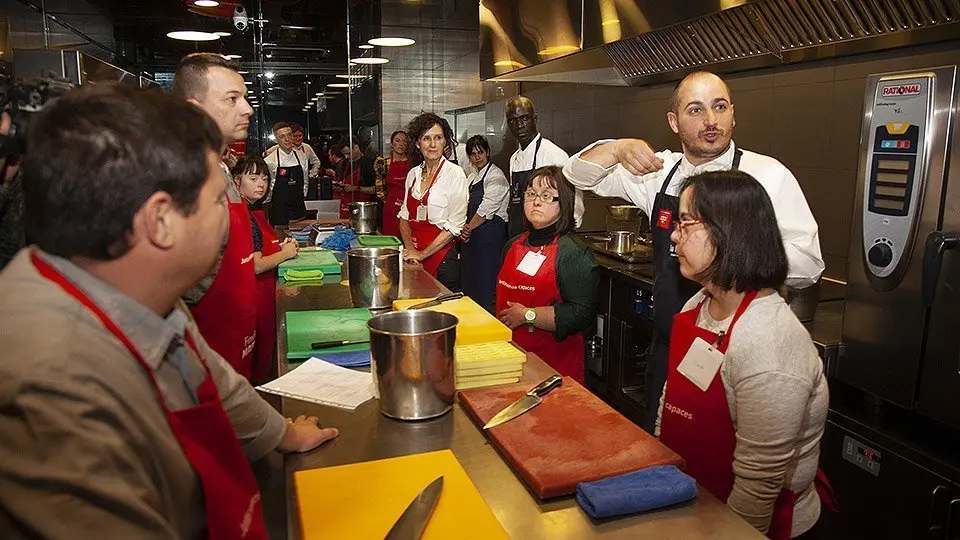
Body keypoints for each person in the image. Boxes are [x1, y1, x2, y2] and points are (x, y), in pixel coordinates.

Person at [0, 83, 338, 539]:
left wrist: (284, 434)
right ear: (160, 221)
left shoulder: (139, 296)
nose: (227, 214)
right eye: (217, 199)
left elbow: (213, 379)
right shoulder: (55, 387)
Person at [562, 70, 824, 432]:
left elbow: (809, 264)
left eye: (719, 107)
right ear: (674, 121)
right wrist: (617, 147)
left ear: (733, 112)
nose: (711, 121)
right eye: (696, 110)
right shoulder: (656, 173)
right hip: (671, 343)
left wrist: (729, 254)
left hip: (738, 349)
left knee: (722, 457)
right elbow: (576, 175)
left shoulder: (767, 175)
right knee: (665, 442)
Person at [655, 170, 831, 539]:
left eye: (686, 222)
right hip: (691, 504)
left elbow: (757, 490)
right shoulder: (699, 304)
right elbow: (671, 401)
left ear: (727, 232)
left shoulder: (769, 343)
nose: (674, 234)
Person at [172, 52, 259, 380]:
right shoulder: (187, 179)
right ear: (196, 109)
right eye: (232, 99)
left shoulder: (220, 168)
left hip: (237, 344)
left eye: (245, 98)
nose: (247, 109)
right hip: (206, 352)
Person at [496, 166, 598, 384]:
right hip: (509, 364)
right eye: (531, 194)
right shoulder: (513, 245)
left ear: (565, 203)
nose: (536, 201)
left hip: (554, 371)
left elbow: (581, 315)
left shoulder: (573, 253)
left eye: (547, 196)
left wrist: (527, 315)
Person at [232, 156, 298, 384]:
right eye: (253, 178)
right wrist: (286, 254)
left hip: (263, 297)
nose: (261, 183)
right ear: (236, 180)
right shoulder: (243, 216)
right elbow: (256, 265)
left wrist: (278, 247)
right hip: (254, 300)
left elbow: (258, 248)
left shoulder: (253, 211)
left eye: (264, 178)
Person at [398, 112, 468, 290]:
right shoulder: (413, 174)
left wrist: (423, 254)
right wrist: (411, 253)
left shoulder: (455, 174)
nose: (432, 144)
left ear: (445, 142)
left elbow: (455, 226)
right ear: (417, 143)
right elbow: (404, 217)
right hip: (414, 256)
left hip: (443, 259)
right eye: (426, 138)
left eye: (438, 137)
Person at [505, 96, 584, 238]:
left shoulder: (555, 155)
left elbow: (574, 204)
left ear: (534, 120)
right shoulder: (514, 158)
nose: (519, 125)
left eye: (524, 118)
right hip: (518, 235)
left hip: (547, 237)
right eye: (513, 121)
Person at [460, 135, 509, 311]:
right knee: (472, 282)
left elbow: (488, 207)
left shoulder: (497, 175)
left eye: (480, 152)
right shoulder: (473, 177)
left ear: (487, 152)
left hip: (490, 240)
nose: (477, 157)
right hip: (474, 240)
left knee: (486, 282)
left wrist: (468, 228)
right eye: (473, 154)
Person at [264, 122, 314, 225]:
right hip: (279, 210)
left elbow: (305, 181)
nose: (287, 139)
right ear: (276, 139)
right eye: (282, 137)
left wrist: (303, 196)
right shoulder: (270, 161)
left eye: (289, 135)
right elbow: (268, 188)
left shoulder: (302, 157)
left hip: (298, 208)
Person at [374, 130, 410, 238]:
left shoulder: (413, 163)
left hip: (409, 208)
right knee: (391, 240)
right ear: (392, 144)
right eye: (397, 140)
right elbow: (379, 189)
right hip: (391, 209)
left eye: (404, 141)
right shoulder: (384, 163)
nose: (401, 143)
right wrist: (391, 203)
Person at [334, 139, 376, 219]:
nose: (346, 157)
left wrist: (356, 188)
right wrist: (339, 187)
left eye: (348, 153)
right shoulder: (343, 163)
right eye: (344, 154)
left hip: (363, 209)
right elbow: (339, 181)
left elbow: (375, 189)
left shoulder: (369, 163)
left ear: (356, 147)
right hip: (345, 208)